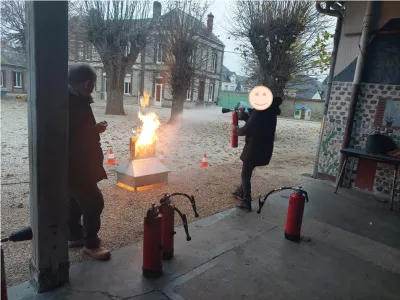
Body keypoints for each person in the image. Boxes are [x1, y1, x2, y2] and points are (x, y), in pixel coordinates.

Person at [68, 63, 110, 260]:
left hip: (78, 163)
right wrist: (95, 130)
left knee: (76, 201)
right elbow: (71, 135)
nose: (93, 87)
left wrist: (94, 127)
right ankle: (91, 244)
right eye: (93, 83)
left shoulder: (76, 98)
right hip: (77, 164)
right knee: (94, 201)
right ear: (87, 83)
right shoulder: (70, 102)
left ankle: (74, 235)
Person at [231, 96, 283, 212]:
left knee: (245, 174)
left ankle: (246, 201)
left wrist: (235, 130)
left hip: (253, 150)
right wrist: (244, 116)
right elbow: (256, 124)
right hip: (264, 150)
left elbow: (245, 130)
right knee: (248, 171)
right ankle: (241, 191)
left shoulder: (258, 114)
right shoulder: (270, 113)